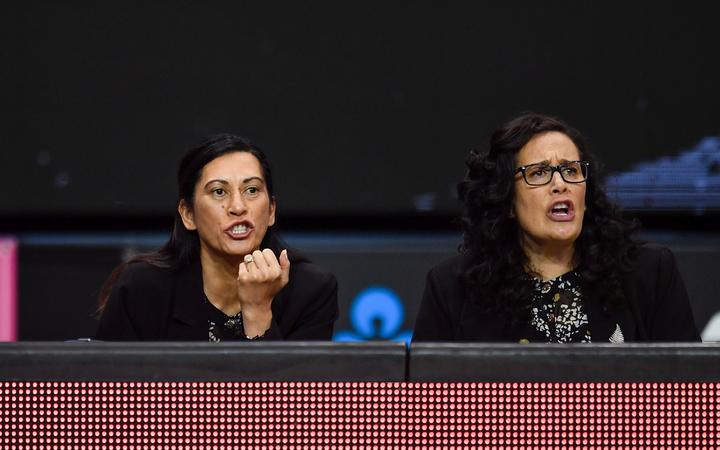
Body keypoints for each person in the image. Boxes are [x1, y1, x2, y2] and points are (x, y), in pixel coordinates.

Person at [413, 112, 700, 343]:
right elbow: (425, 410)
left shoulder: (649, 275)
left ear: (586, 196)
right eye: (539, 173)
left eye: (571, 170)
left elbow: (691, 397)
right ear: (508, 201)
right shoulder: (452, 288)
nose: (560, 184)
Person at [96, 134, 338, 341]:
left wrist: (257, 309)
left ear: (271, 210)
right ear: (188, 214)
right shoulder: (142, 289)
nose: (238, 207)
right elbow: (109, 392)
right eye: (219, 191)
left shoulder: (310, 292)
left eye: (251, 190)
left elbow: (291, 397)